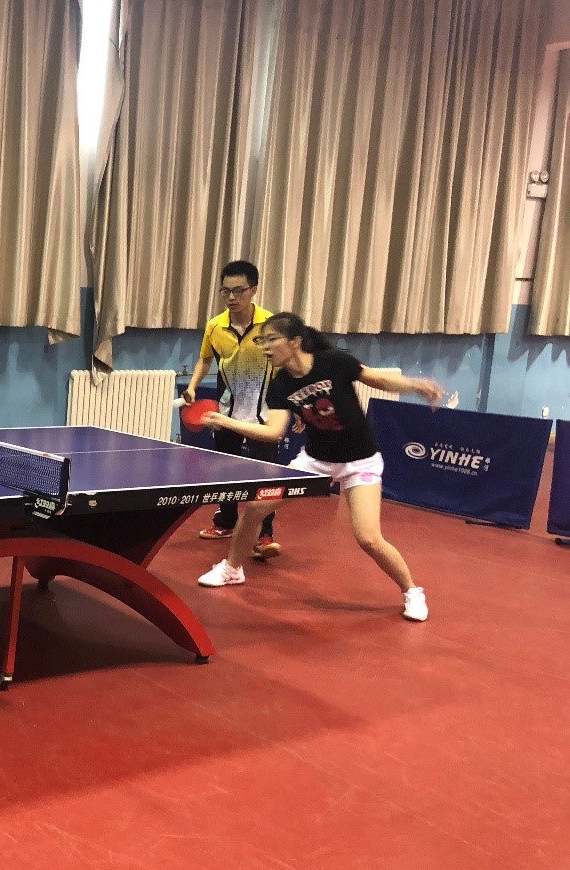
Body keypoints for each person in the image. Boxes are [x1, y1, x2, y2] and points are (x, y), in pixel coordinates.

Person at [196, 311, 443, 622]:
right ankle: (232, 569)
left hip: (360, 462)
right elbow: (273, 432)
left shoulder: (333, 362)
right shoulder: (281, 385)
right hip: (315, 462)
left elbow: (378, 379)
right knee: (256, 508)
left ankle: (412, 591)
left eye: (271, 340)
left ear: (295, 341)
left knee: (368, 538)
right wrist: (226, 421)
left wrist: (416, 386)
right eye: (261, 341)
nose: (265, 347)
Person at [183, 260, 282, 558]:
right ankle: (226, 522)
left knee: (266, 478)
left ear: (253, 290)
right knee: (226, 472)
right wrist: (192, 386)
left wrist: (294, 405)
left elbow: (286, 365)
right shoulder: (215, 326)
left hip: (263, 416)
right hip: (227, 413)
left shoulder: (272, 325)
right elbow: (205, 359)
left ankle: (265, 535)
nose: (231, 297)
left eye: (238, 290)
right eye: (225, 291)